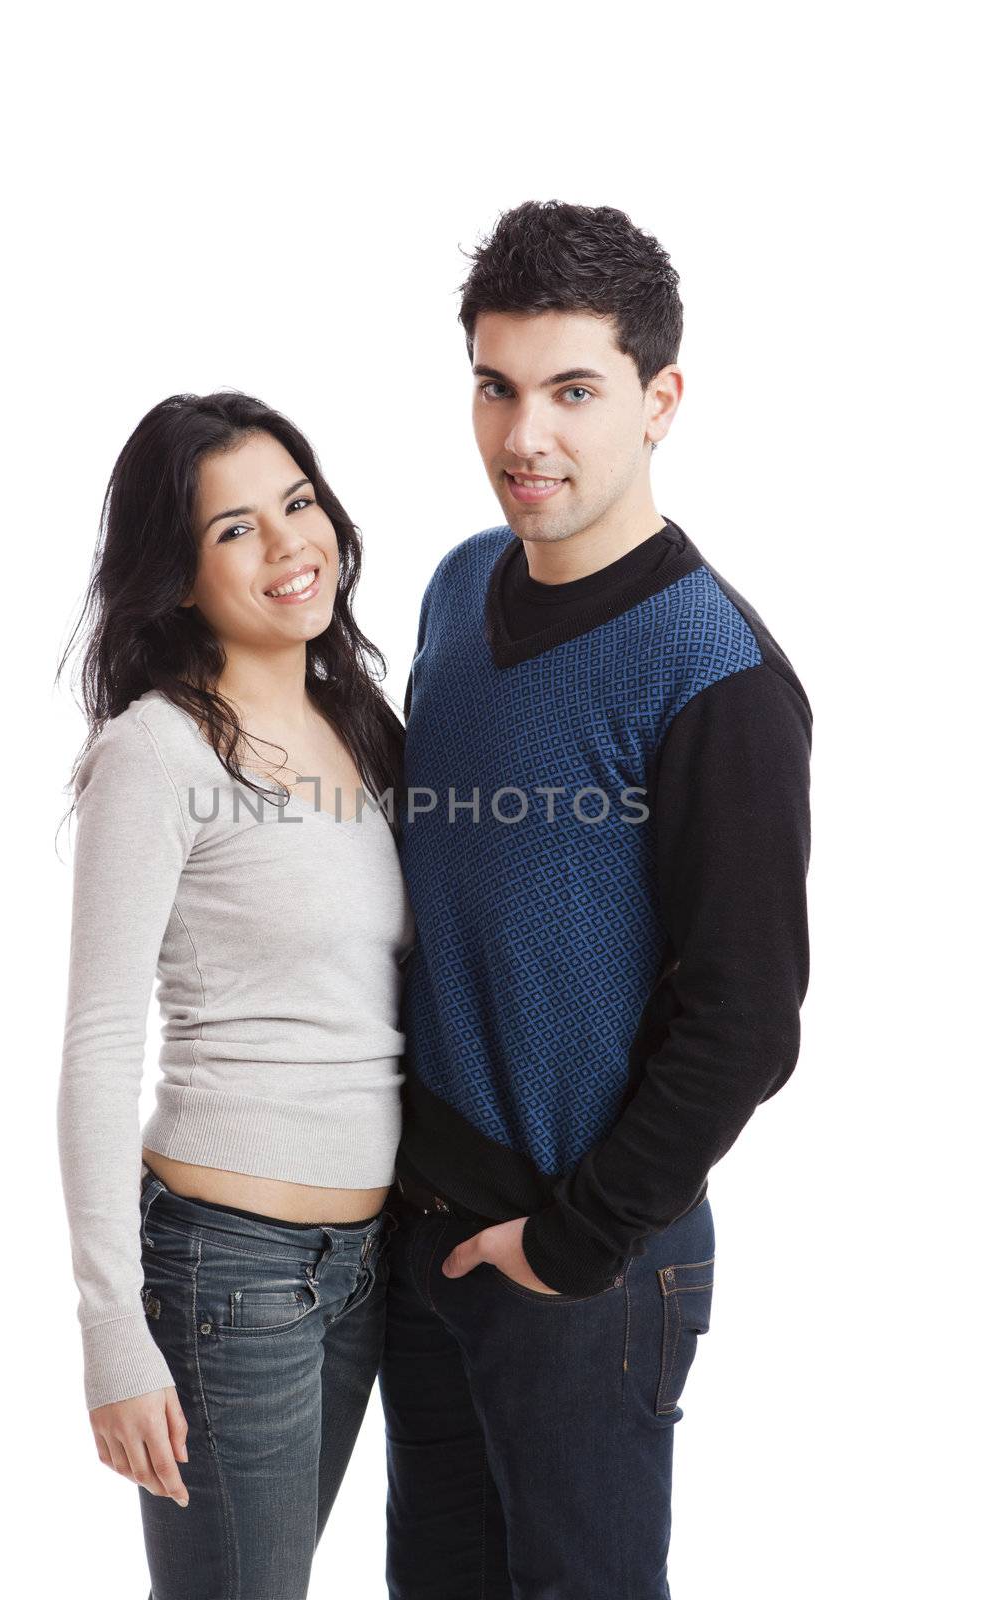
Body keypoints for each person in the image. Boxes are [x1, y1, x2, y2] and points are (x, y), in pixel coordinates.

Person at [380, 200, 813, 1597]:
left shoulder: (716, 673)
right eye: (496, 387)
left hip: (587, 1263)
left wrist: (570, 1243)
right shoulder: (456, 588)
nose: (526, 437)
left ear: (660, 399)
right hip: (424, 1241)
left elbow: (746, 1022)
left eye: (574, 391)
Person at [54, 390, 413, 1598]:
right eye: (234, 530)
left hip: (365, 1263)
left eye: (297, 503)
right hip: (232, 1271)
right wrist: (112, 1326)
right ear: (178, 574)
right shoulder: (157, 750)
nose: (288, 545)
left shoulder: (360, 723)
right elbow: (101, 1041)